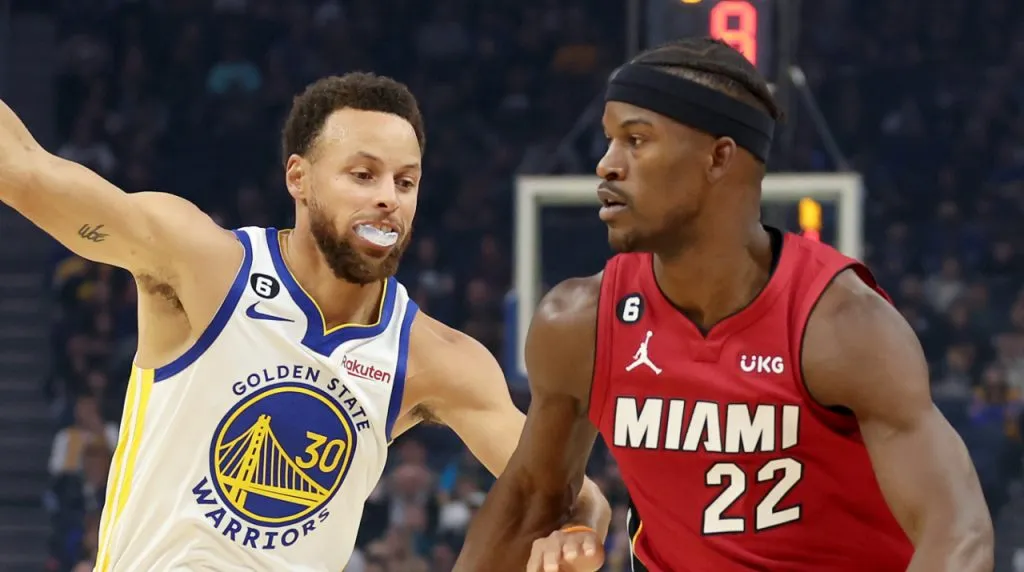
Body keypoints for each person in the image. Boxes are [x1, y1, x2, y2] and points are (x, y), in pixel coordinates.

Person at [0, 72, 610, 571]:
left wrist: (579, 533)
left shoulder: (434, 357)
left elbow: (573, 492)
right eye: (362, 174)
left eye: (406, 181)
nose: (387, 199)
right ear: (299, 177)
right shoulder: (201, 264)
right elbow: (27, 171)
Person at [455, 38, 994, 572]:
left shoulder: (842, 327)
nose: (606, 165)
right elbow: (530, 501)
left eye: (636, 140)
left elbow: (958, 533)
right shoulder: (579, 322)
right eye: (610, 140)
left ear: (718, 158)